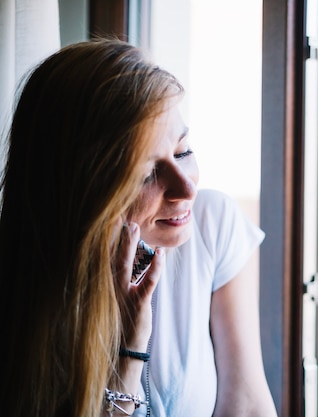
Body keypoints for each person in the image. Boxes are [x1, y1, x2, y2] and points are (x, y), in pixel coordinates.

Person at [0, 38, 278, 417]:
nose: (186, 189)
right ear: (80, 190)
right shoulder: (28, 295)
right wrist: (129, 355)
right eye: (147, 174)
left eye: (183, 151)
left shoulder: (213, 225)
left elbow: (247, 406)